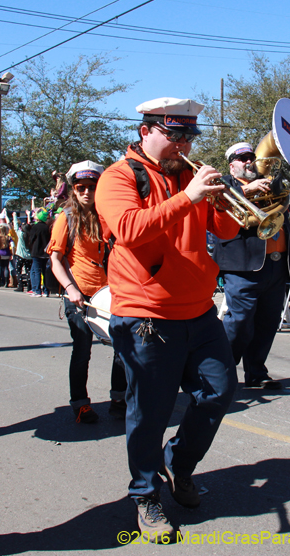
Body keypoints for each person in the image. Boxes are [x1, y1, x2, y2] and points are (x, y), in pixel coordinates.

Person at [96, 97, 239, 542]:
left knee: (219, 392)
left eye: (188, 136)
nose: (182, 144)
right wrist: (189, 196)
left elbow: (229, 231)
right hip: (146, 314)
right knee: (149, 413)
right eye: (174, 135)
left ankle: (177, 463)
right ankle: (145, 494)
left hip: (199, 309)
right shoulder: (119, 176)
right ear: (146, 132)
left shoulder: (190, 176)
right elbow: (131, 229)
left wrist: (230, 197)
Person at [212, 141, 290, 389]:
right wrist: (248, 191)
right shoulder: (224, 185)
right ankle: (222, 373)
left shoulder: (271, 184)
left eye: (252, 156)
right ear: (232, 166)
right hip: (243, 268)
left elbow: (283, 221)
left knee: (267, 323)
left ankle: (257, 373)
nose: (249, 161)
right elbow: (219, 212)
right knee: (239, 322)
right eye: (242, 158)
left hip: (276, 265)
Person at [47, 160, 127, 422]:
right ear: (73, 189)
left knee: (122, 346)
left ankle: (119, 399)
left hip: (106, 294)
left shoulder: (105, 217)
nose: (86, 192)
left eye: (92, 187)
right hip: (78, 295)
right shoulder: (66, 218)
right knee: (82, 350)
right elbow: (56, 260)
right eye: (81, 187)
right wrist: (71, 289)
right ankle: (80, 404)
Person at [27, 209, 51, 297]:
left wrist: (30, 247)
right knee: (44, 271)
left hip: (36, 252)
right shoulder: (47, 227)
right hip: (45, 252)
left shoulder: (35, 227)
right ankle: (46, 291)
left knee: (36, 271)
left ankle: (37, 290)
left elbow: (31, 239)